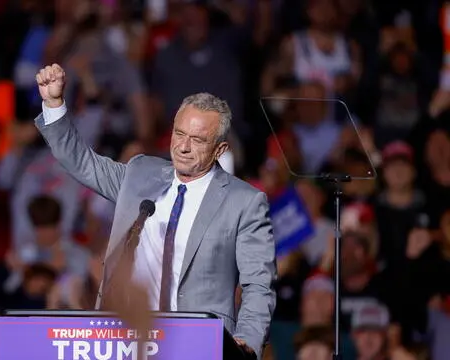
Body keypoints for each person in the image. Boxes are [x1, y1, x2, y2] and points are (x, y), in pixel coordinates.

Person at [34, 63, 276, 359]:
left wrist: (247, 342)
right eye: (179, 133)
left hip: (196, 343)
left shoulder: (245, 202)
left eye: (197, 139)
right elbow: (82, 163)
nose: (183, 147)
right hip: (125, 337)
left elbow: (259, 283)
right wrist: (54, 104)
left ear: (219, 149)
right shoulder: (140, 173)